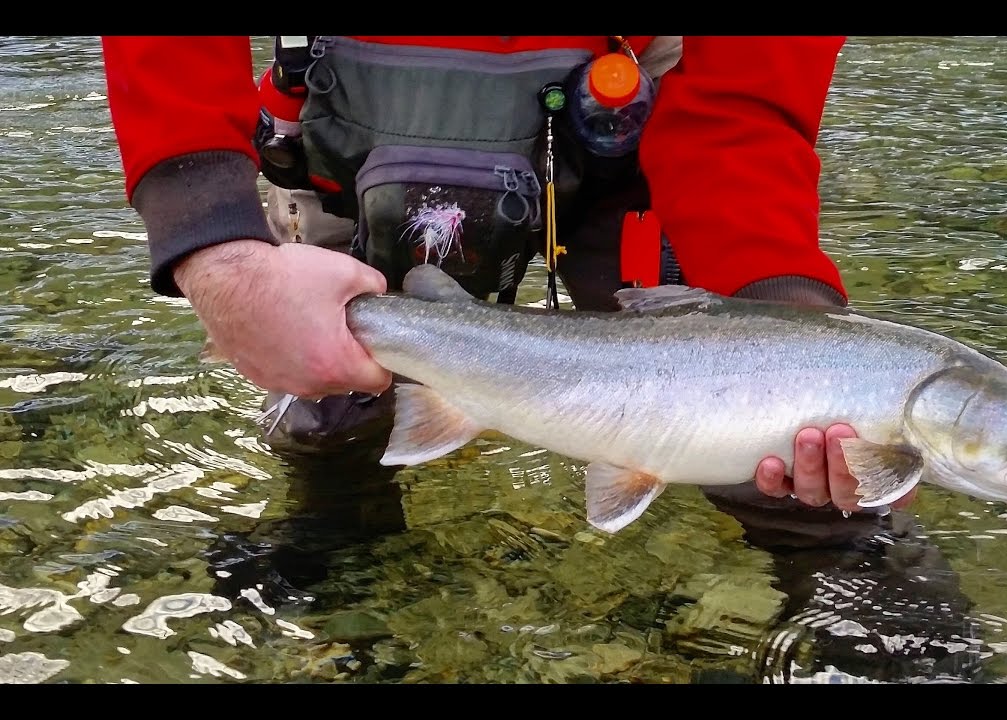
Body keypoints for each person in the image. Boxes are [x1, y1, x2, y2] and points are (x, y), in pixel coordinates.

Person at [99, 35, 917, 547]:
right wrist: (215, 248)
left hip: (636, 129)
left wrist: (786, 323)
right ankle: (344, 576)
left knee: (799, 463)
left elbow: (743, 103)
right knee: (326, 414)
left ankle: (859, 619)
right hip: (342, 126)